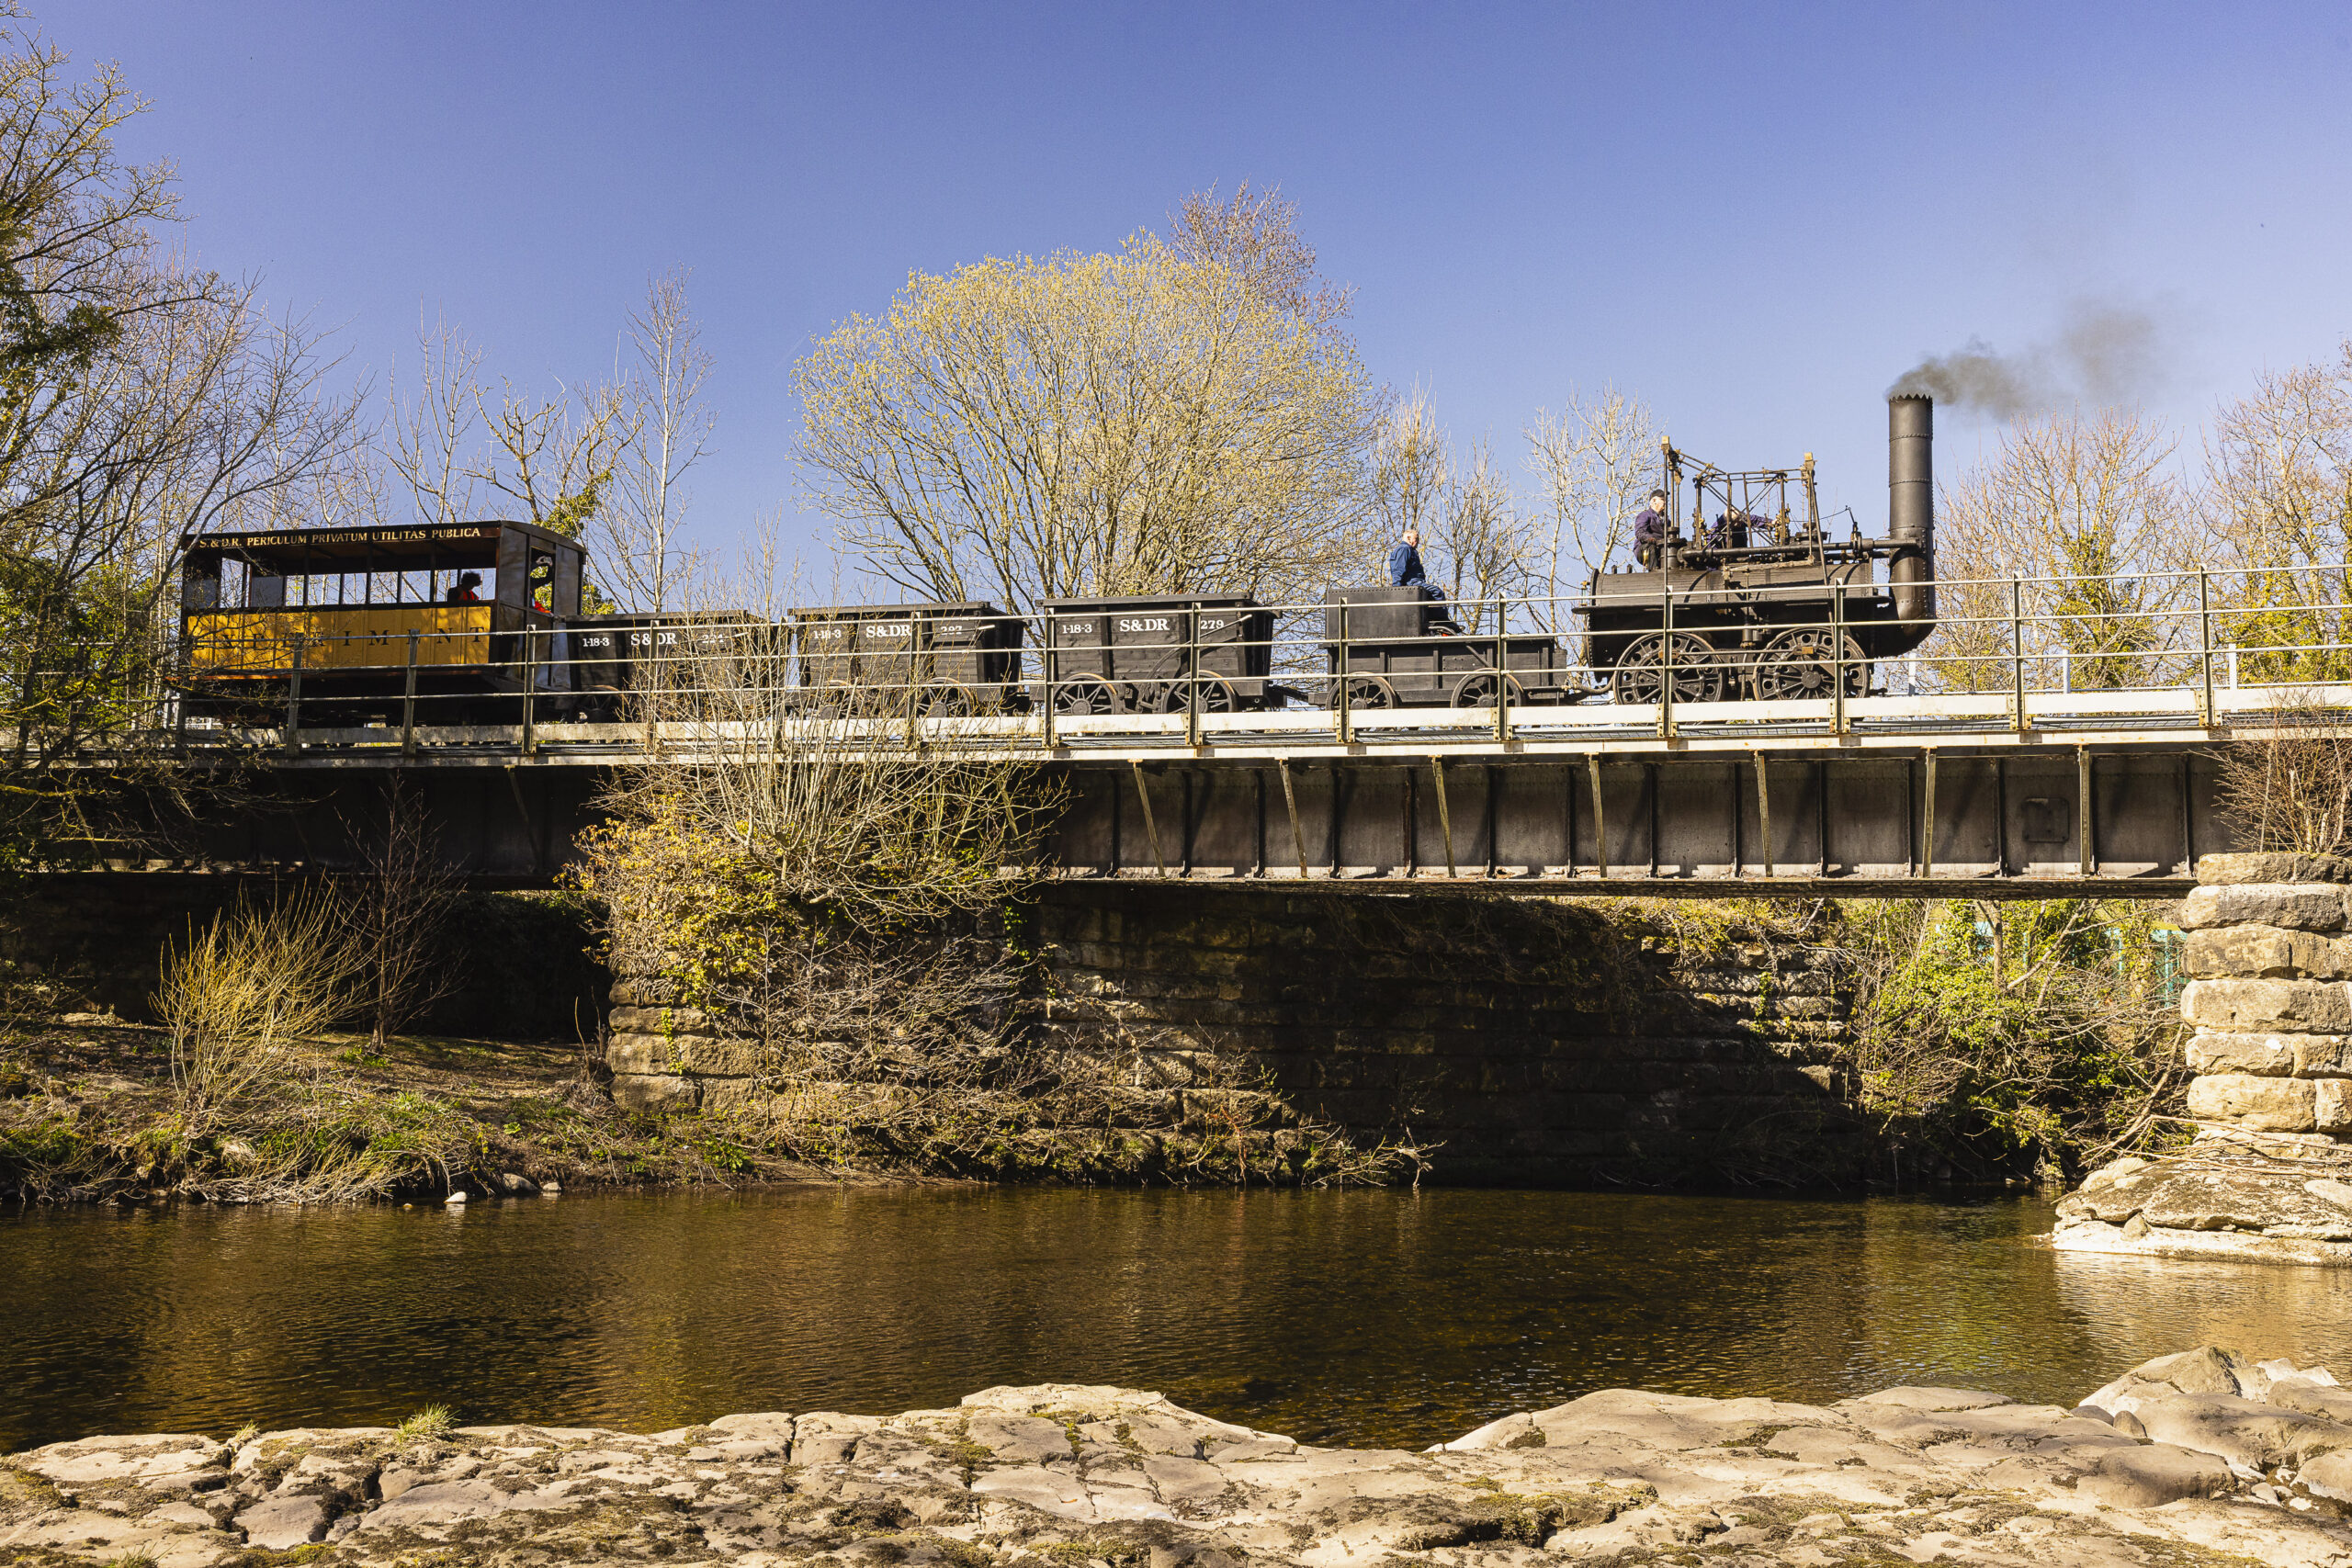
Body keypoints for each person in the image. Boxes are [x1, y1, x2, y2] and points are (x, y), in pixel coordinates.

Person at [1632, 491, 1672, 568]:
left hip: (1662, 548)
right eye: (1663, 500)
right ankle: (1654, 571)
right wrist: (1652, 539)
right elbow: (1640, 532)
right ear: (1654, 501)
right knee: (1651, 548)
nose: (1665, 502)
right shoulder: (1645, 515)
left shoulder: (1667, 521)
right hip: (1645, 548)